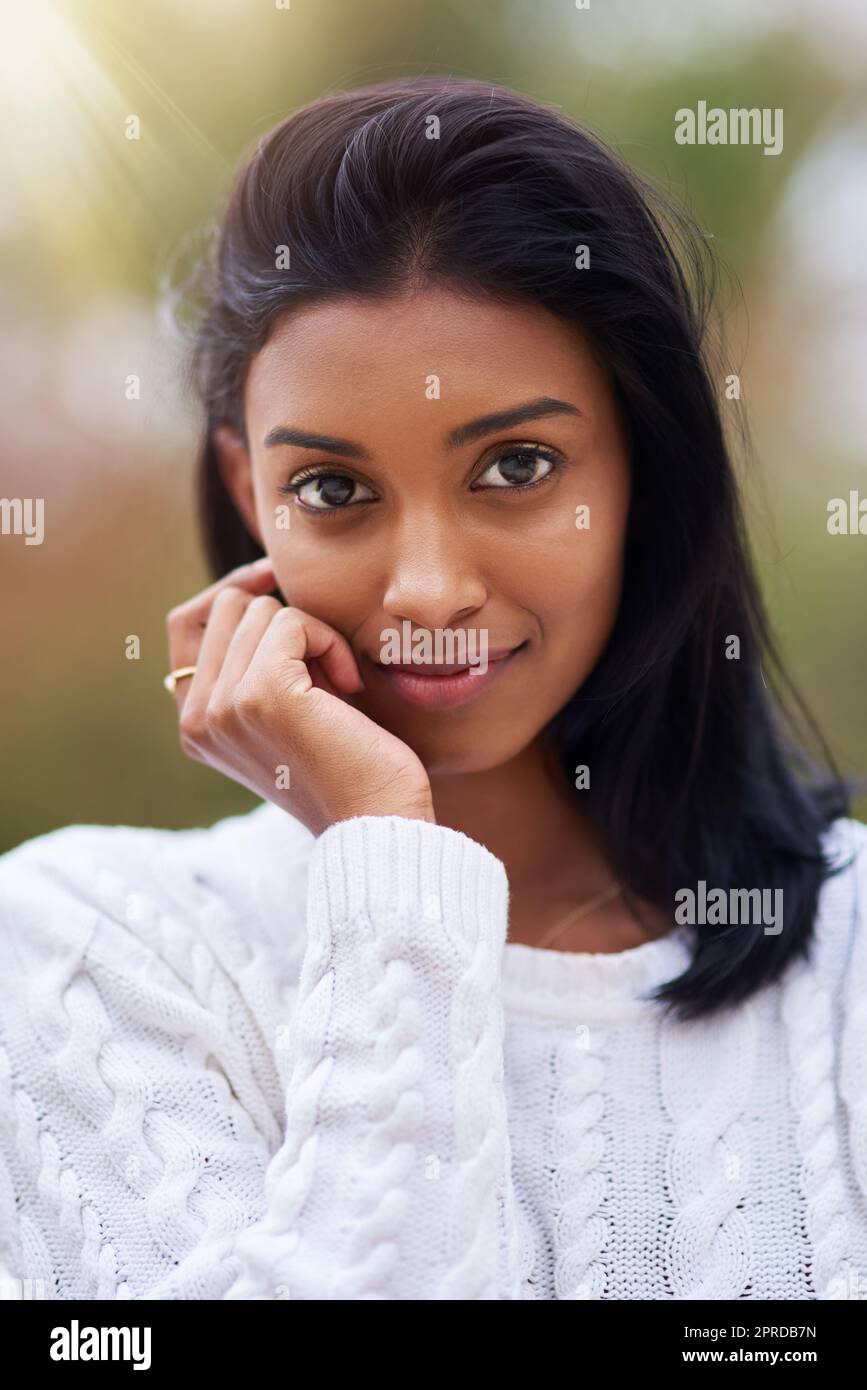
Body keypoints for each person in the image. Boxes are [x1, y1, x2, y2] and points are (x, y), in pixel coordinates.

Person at [1, 75, 865, 1302]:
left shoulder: (846, 963)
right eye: (335, 490)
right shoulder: (84, 949)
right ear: (251, 494)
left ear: (643, 471)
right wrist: (385, 861)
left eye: (517, 464)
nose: (428, 590)